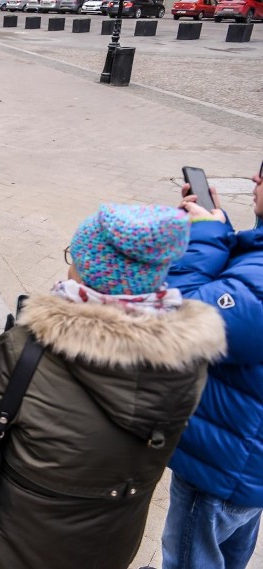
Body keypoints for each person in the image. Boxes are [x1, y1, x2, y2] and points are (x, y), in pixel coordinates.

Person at [0, 204, 227, 569]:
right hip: (113, 538)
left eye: (73, 256)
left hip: (23, 536)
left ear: (88, 268)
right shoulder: (190, 357)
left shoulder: (28, 348)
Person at [157, 163, 263, 569]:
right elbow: (243, 284)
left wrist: (203, 237)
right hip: (246, 460)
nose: (255, 179)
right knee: (231, 549)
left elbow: (181, 319)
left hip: (223, 465)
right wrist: (220, 225)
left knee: (190, 557)